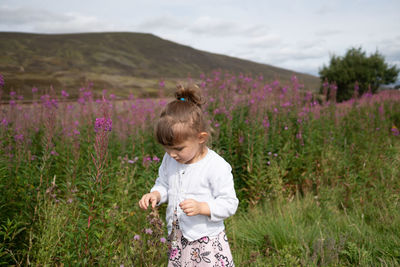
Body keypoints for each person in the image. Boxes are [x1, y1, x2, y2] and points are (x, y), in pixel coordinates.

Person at [139, 84, 239, 266]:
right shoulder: (170, 160)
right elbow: (164, 183)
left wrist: (203, 207)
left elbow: (230, 203)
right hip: (178, 237)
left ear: (201, 138)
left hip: (205, 240)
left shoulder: (215, 166)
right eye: (166, 149)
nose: (172, 155)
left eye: (178, 149)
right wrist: (156, 194)